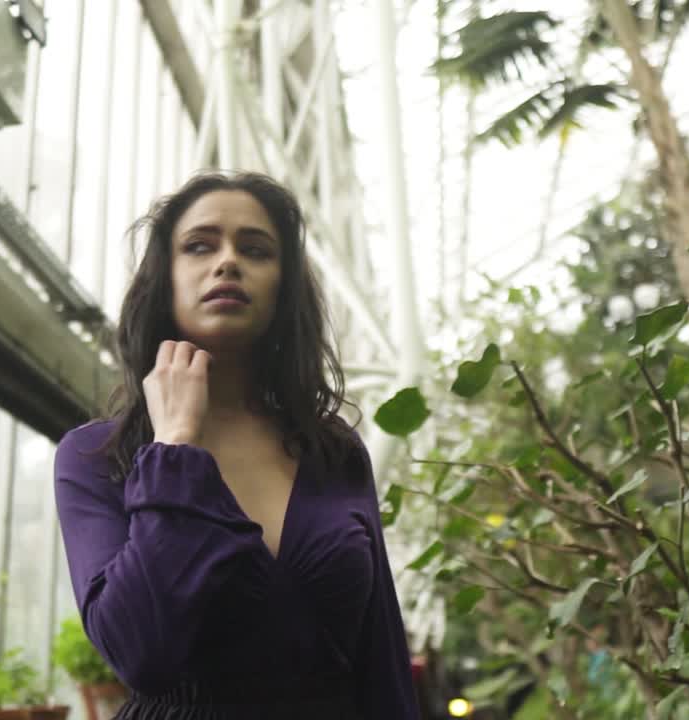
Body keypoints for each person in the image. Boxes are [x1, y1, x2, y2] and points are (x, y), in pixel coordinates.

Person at [53, 172, 420, 719]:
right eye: (200, 245)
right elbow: (142, 654)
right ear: (166, 279)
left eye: (255, 249)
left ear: (282, 287)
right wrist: (174, 449)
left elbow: (382, 654)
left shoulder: (333, 451)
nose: (228, 261)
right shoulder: (94, 458)